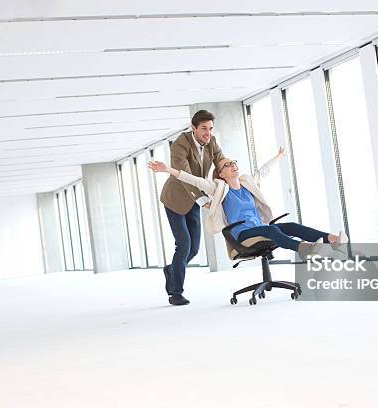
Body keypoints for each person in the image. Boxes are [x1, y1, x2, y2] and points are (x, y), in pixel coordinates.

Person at [149, 147, 348, 261]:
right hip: (241, 234)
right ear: (221, 174)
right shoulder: (219, 188)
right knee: (272, 231)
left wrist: (278, 156)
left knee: (292, 226)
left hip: (258, 228)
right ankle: (305, 249)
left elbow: (264, 171)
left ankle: (332, 240)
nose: (232, 165)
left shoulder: (247, 183)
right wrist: (169, 170)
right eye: (226, 165)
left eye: (233, 162)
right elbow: (195, 180)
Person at [159, 110, 226, 306]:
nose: (208, 133)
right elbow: (184, 174)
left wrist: (231, 172)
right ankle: (175, 292)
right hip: (175, 199)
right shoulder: (180, 144)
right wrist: (201, 199)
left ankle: (172, 270)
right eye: (204, 128)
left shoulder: (211, 142)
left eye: (210, 128)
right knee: (184, 244)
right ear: (193, 128)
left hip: (195, 200)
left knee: (194, 249)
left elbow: (221, 160)